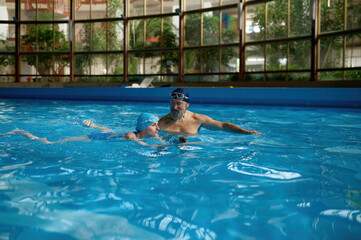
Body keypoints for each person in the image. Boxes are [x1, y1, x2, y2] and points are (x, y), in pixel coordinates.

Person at [2, 113, 164, 146]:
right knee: (50, 143)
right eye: (154, 124)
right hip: (95, 138)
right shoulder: (131, 135)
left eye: (157, 124)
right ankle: (21, 132)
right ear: (143, 127)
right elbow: (145, 146)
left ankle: (94, 124)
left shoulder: (149, 135)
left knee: (107, 130)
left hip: (109, 134)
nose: (158, 127)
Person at [158, 88, 261, 138]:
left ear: (187, 105)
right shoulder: (161, 122)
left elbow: (224, 126)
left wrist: (246, 132)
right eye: (172, 103)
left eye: (178, 104)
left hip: (192, 154)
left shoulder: (197, 119)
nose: (174, 107)